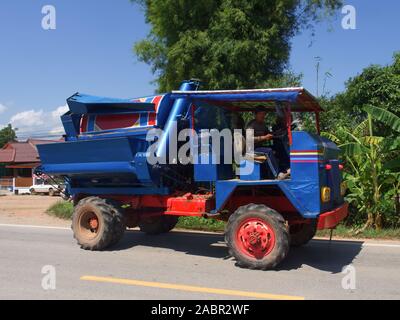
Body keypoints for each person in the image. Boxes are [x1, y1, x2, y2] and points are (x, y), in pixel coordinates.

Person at [246, 109, 290, 180]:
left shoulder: (263, 124)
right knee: (268, 151)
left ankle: (285, 169)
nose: (263, 116)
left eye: (264, 114)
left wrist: (276, 133)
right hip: (251, 149)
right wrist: (264, 137)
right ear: (255, 114)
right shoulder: (251, 125)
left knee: (278, 147)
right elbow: (249, 139)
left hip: (260, 148)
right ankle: (277, 175)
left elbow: (268, 133)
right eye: (261, 113)